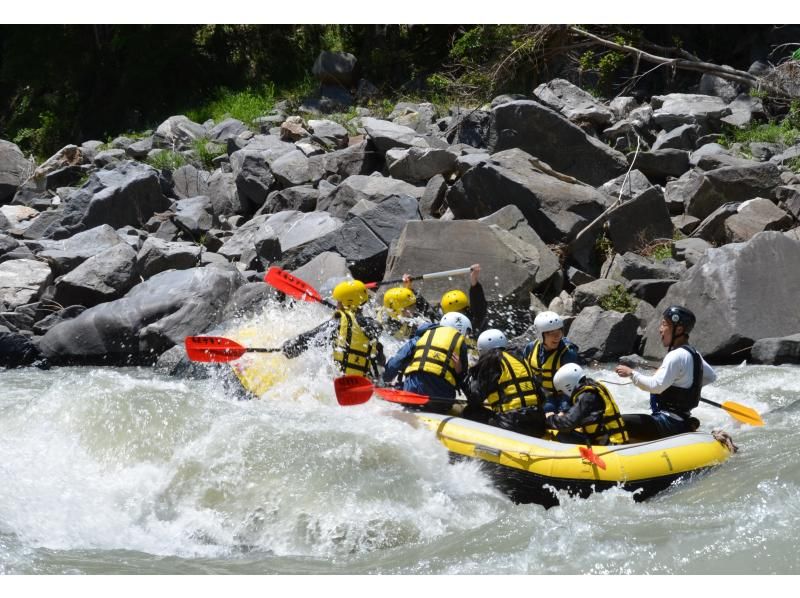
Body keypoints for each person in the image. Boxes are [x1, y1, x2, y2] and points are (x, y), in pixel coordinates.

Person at [614, 305, 716, 439]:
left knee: (615, 422)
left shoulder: (675, 356)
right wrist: (684, 384)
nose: (660, 329)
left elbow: (655, 386)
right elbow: (710, 376)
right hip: (682, 420)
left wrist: (631, 373)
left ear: (678, 329)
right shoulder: (695, 353)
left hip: (668, 424)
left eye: (664, 324)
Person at [281, 279, 384, 378]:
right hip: (365, 381)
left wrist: (289, 347)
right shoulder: (372, 325)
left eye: (339, 302)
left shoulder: (340, 322)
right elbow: (379, 358)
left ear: (348, 302)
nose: (337, 304)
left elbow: (311, 338)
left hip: (343, 381)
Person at [382, 312, 472, 414]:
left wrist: (384, 379)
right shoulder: (460, 343)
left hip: (412, 391)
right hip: (441, 399)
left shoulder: (422, 336)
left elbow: (397, 361)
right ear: (461, 329)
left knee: (398, 385)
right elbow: (463, 380)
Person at [464, 328, 544, 437]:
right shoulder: (521, 359)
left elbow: (475, 398)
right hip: (538, 422)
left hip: (512, 425)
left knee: (470, 412)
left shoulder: (491, 360)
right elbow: (541, 396)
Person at [545, 363, 628, 445]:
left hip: (609, 444)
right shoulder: (592, 388)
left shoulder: (586, 396)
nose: (564, 394)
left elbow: (567, 424)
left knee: (562, 435)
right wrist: (563, 414)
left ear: (568, 386)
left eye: (562, 391)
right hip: (607, 438)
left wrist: (550, 418)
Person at [523, 311, 581, 415]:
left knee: (548, 408)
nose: (557, 336)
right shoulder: (530, 348)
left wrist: (563, 411)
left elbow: (573, 387)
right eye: (551, 333)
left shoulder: (568, 353)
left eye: (559, 331)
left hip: (562, 397)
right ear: (540, 335)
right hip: (540, 393)